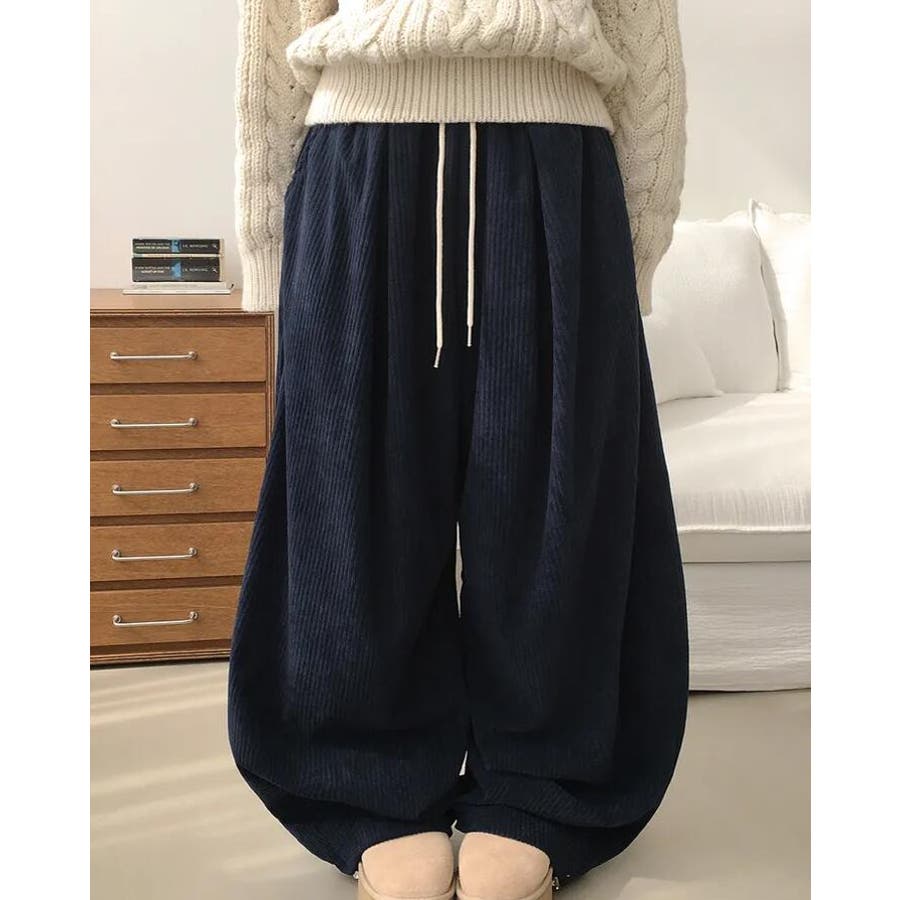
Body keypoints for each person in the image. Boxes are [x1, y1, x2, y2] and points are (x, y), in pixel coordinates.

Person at [228, 2, 689, 898]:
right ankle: (365, 784)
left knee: (557, 503)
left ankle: (544, 786)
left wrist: (633, 244)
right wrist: (270, 249)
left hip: (558, 158)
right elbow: (271, 34)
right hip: (358, 159)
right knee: (351, 500)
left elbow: (645, 37)